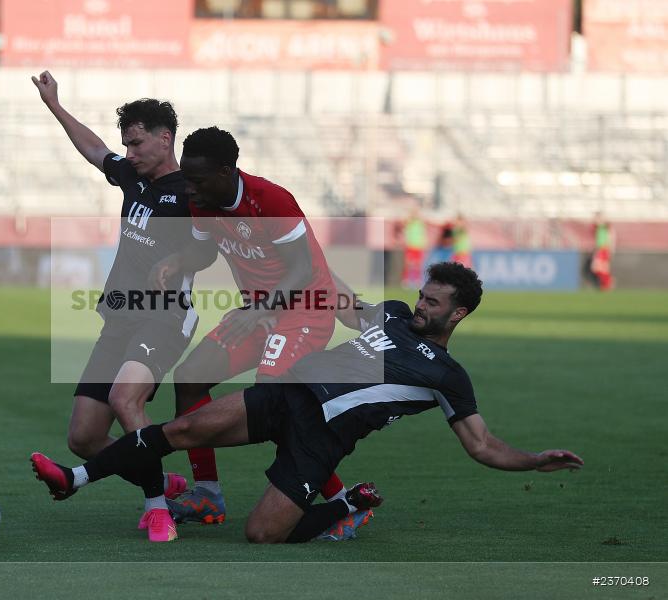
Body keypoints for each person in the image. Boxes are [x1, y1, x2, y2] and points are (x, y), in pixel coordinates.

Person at [31, 262, 584, 544]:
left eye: (432, 301)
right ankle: (75, 478)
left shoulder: (448, 376)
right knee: (183, 429)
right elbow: (344, 306)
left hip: (323, 440)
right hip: (287, 395)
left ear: (457, 314)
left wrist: (534, 460)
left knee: (261, 535)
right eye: (421, 294)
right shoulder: (391, 312)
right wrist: (296, 268)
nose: (419, 304)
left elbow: (482, 445)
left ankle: (345, 507)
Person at [148, 126, 348, 526]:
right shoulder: (204, 201)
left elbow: (302, 269)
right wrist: (178, 261)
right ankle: (207, 495)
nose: (189, 188)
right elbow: (205, 250)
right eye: (187, 178)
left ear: (226, 173)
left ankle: (342, 503)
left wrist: (260, 311)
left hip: (305, 310)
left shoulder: (270, 199)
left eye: (197, 179)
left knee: (275, 403)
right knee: (189, 377)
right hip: (257, 312)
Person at [32, 71, 197, 541]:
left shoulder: (191, 192)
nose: (129, 154)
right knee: (83, 436)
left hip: (166, 316)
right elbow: (93, 150)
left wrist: (181, 258)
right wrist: (55, 106)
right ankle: (161, 480)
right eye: (126, 145)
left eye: (138, 144)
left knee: (127, 400)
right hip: (120, 317)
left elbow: (213, 246)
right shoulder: (132, 177)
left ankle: (157, 507)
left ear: (165, 140)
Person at [400, 208, 427, 288]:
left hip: (418, 247)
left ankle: (417, 280)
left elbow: (423, 234)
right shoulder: (409, 222)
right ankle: (406, 280)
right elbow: (404, 226)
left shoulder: (420, 223)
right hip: (410, 246)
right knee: (408, 264)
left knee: (417, 265)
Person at [590, 213, 613, 291]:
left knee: (601, 268)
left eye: (598, 218)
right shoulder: (597, 228)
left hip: (604, 249)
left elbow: (610, 237)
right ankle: (605, 284)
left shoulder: (606, 227)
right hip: (599, 249)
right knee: (597, 268)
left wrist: (610, 249)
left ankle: (607, 284)